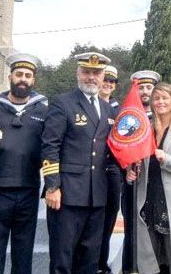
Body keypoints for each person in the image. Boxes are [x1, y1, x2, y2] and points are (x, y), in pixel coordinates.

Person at [42, 52, 113, 274]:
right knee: (63, 259)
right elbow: (49, 145)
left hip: (97, 195)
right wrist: (52, 186)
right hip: (67, 195)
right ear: (78, 73)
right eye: (87, 72)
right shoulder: (63, 103)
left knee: (90, 260)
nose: (91, 77)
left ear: (103, 76)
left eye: (97, 73)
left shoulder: (108, 108)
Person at [0, 53, 48, 274]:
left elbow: (48, 146)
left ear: (33, 81)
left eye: (28, 75)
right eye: (18, 74)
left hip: (28, 188)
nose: (23, 79)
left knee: (23, 251)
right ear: (10, 77)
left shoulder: (43, 110)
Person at [126, 82, 171, 274]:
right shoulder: (146, 128)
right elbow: (138, 162)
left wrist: (167, 160)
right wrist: (131, 171)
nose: (160, 102)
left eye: (164, 98)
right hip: (149, 200)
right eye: (156, 98)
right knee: (153, 261)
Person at [122, 69, 160, 273]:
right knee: (132, 229)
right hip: (133, 183)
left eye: (149, 87)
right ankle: (130, 268)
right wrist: (126, 169)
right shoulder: (127, 115)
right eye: (141, 87)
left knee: (156, 229)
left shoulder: (164, 115)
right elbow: (117, 148)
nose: (145, 91)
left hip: (157, 182)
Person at [98, 65, 122, 274]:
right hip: (91, 170)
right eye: (105, 79)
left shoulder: (118, 110)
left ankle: (101, 262)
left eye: (111, 82)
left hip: (112, 169)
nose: (107, 84)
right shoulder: (87, 104)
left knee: (109, 218)